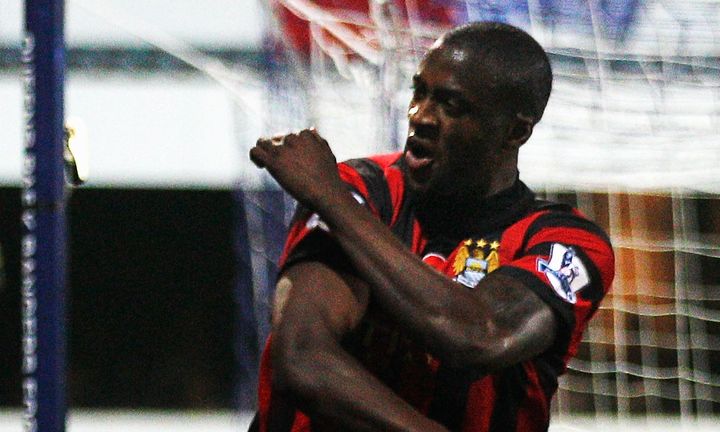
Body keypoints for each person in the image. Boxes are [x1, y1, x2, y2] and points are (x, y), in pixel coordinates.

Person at [248, 21, 615, 432]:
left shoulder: (565, 242)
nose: (420, 116)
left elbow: (480, 336)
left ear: (515, 131)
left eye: (451, 105)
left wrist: (329, 200)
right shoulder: (361, 191)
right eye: (418, 92)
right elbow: (301, 358)